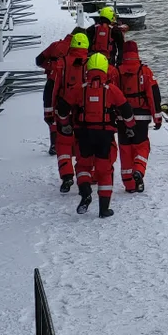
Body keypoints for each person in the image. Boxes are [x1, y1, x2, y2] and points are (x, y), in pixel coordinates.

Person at [56, 52, 134, 218]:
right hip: (105, 135)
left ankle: (85, 194)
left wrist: (65, 124)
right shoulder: (112, 90)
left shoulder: (78, 88)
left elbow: (62, 109)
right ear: (105, 69)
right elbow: (127, 111)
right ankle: (104, 209)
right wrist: (129, 127)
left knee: (83, 166)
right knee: (105, 170)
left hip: (83, 133)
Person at [116, 41, 163, 193]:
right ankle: (138, 170)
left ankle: (129, 185)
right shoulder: (145, 71)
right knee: (142, 146)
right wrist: (157, 117)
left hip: (122, 117)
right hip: (142, 117)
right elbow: (154, 95)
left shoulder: (116, 72)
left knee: (125, 150)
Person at [48, 32, 90, 192]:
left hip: (63, 110)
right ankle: (85, 176)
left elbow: (54, 88)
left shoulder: (62, 63)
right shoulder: (90, 63)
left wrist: (51, 111)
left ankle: (66, 175)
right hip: (83, 112)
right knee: (83, 144)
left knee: (63, 144)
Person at [38, 28, 84, 155]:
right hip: (72, 88)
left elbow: (39, 60)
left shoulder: (55, 46)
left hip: (52, 84)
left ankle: (54, 144)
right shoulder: (81, 52)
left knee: (51, 115)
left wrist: (51, 68)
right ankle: (73, 146)